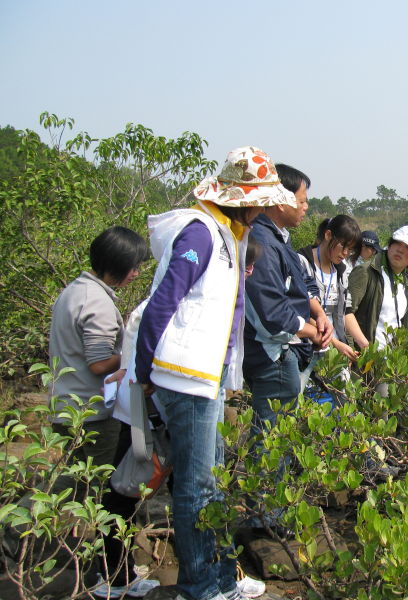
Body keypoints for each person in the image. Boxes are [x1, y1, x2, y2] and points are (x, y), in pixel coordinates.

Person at [135, 146, 296, 600]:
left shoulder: (229, 234)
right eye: (260, 199)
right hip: (182, 375)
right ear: (241, 197)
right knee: (197, 486)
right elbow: (162, 302)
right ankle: (201, 584)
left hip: (203, 378)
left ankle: (222, 578)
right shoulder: (202, 233)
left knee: (212, 482)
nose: (264, 207)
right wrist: (145, 368)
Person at [48, 226, 158, 599]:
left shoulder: (76, 291)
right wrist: (135, 358)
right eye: (133, 267)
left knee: (77, 487)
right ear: (118, 265)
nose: (136, 274)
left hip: (68, 405)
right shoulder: (96, 302)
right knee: (101, 495)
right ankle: (109, 577)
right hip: (92, 411)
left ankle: (101, 571)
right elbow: (99, 363)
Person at [243, 163, 333, 433]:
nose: (306, 207)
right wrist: (312, 332)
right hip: (272, 355)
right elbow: (271, 312)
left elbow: (301, 280)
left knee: (279, 438)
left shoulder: (278, 237)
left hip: (283, 352)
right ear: (281, 202)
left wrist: (318, 312)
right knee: (271, 445)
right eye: (302, 201)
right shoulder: (263, 243)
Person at [348, 225, 408, 351]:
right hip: (365, 357)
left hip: (391, 360)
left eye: (407, 247)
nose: (400, 250)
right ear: (389, 245)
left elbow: (391, 310)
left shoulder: (405, 278)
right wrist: (355, 351)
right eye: (397, 243)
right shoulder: (366, 272)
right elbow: (345, 312)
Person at [297, 216, 362, 363]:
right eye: (343, 246)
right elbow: (300, 312)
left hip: (335, 352)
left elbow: (346, 311)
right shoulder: (301, 262)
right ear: (328, 235)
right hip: (307, 350)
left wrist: (365, 345)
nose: (345, 253)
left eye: (350, 249)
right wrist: (336, 344)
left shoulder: (341, 270)